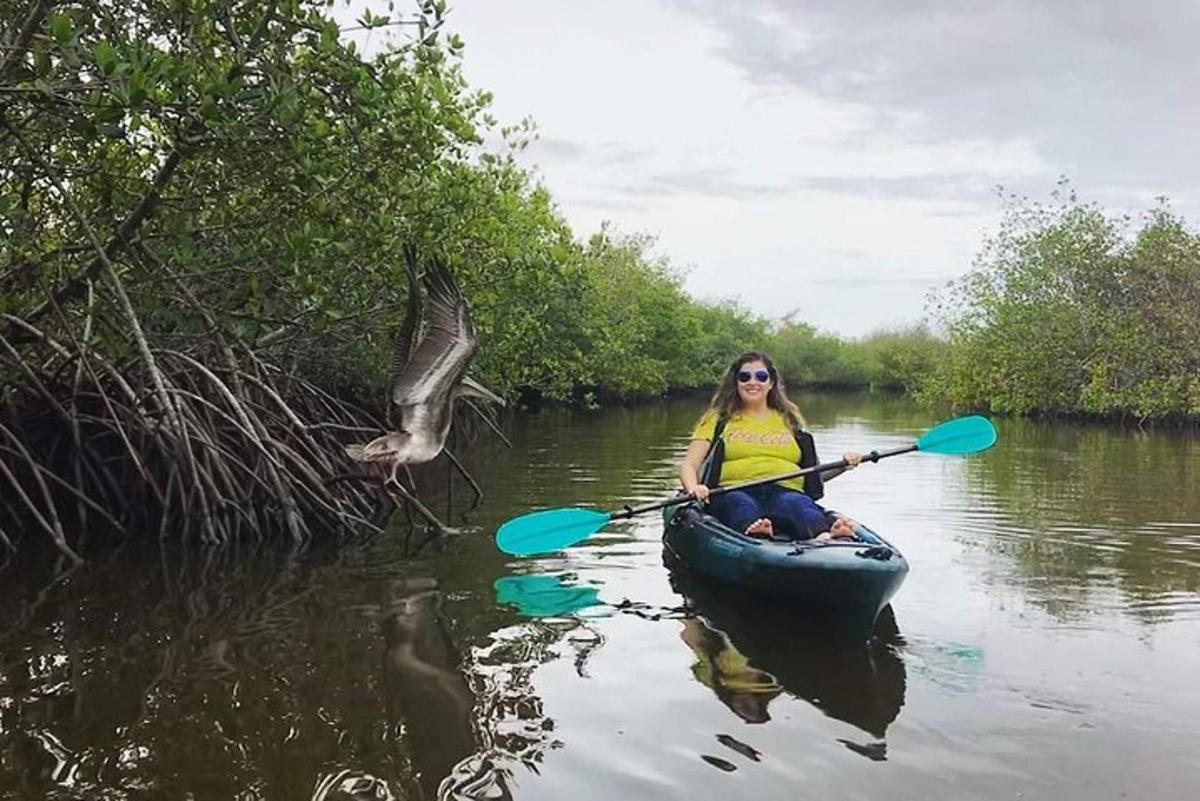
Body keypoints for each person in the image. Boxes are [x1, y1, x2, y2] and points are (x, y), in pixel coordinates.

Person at [677, 351, 861, 540]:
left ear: (771, 383)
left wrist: (844, 465)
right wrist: (694, 488)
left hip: (786, 491)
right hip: (733, 490)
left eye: (761, 376)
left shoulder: (790, 418)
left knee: (799, 505)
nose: (753, 382)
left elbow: (814, 473)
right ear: (736, 383)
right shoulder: (717, 418)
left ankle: (825, 536)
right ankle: (755, 532)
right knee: (741, 504)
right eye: (744, 377)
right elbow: (689, 465)